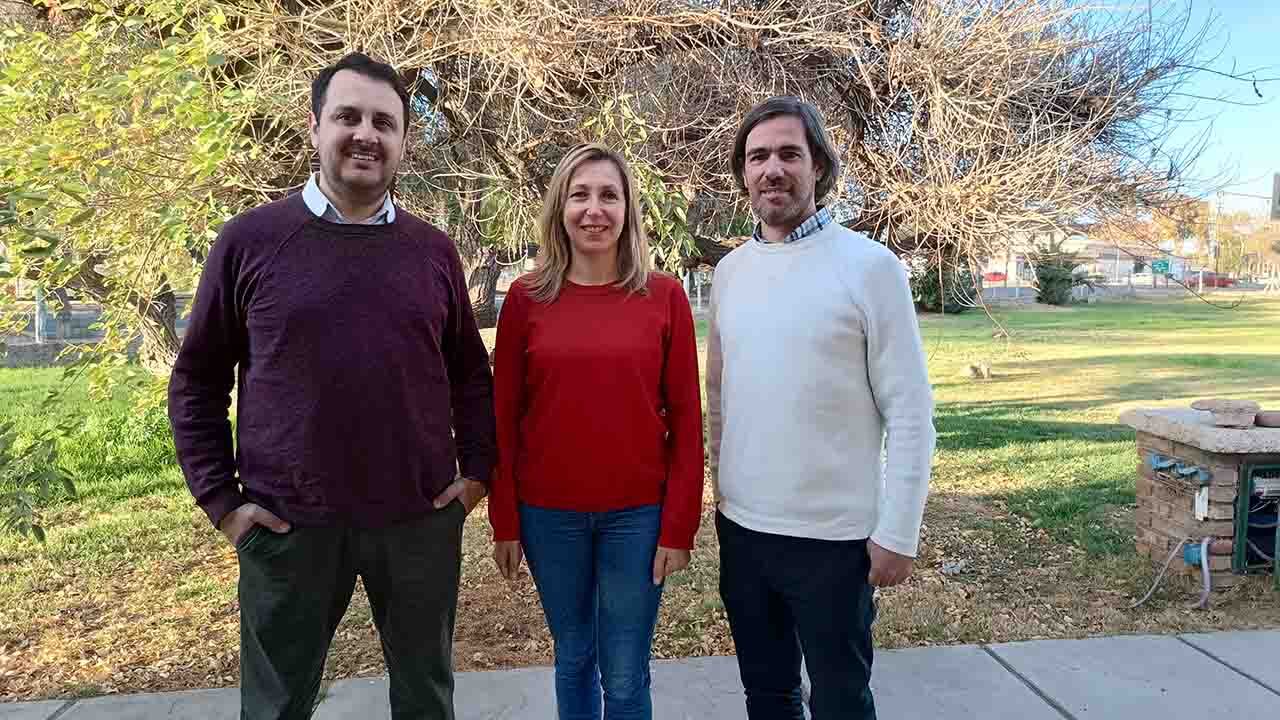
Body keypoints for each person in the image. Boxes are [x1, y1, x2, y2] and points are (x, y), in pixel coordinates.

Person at [167, 52, 496, 720]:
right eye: (348, 116)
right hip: (289, 527)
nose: (366, 134)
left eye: (385, 122)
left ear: (404, 141)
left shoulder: (432, 251)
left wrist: (478, 475)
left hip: (418, 521)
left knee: (427, 700)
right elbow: (198, 380)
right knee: (276, 706)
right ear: (315, 126)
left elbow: (468, 372)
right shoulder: (250, 241)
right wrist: (223, 503)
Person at [705, 96, 936, 719]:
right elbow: (719, 396)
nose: (771, 169)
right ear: (743, 174)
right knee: (768, 694)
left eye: (788, 154)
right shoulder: (729, 273)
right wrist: (721, 488)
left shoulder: (870, 268)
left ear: (819, 168)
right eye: (757, 157)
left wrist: (899, 532)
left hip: (835, 541)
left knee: (840, 699)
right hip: (746, 532)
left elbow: (911, 411)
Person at [488, 143, 704, 720]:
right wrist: (504, 518)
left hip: (637, 517)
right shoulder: (525, 300)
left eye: (609, 195)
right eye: (579, 195)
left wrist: (679, 526)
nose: (594, 209)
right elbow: (502, 420)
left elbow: (687, 422)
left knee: (627, 673)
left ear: (629, 209)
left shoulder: (665, 297)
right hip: (547, 516)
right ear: (559, 208)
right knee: (574, 658)